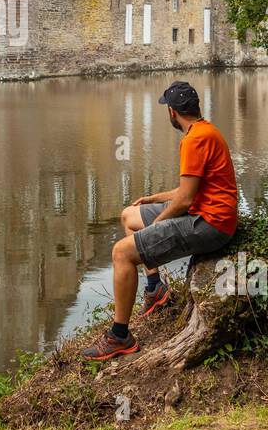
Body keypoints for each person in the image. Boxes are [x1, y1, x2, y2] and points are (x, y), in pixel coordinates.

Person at [82, 80, 239, 360]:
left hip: (210, 224)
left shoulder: (195, 140)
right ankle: (155, 289)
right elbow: (186, 191)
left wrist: (159, 224)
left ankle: (120, 336)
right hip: (205, 212)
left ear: (172, 113)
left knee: (122, 253)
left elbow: (185, 201)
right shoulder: (204, 130)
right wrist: (153, 199)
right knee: (129, 216)